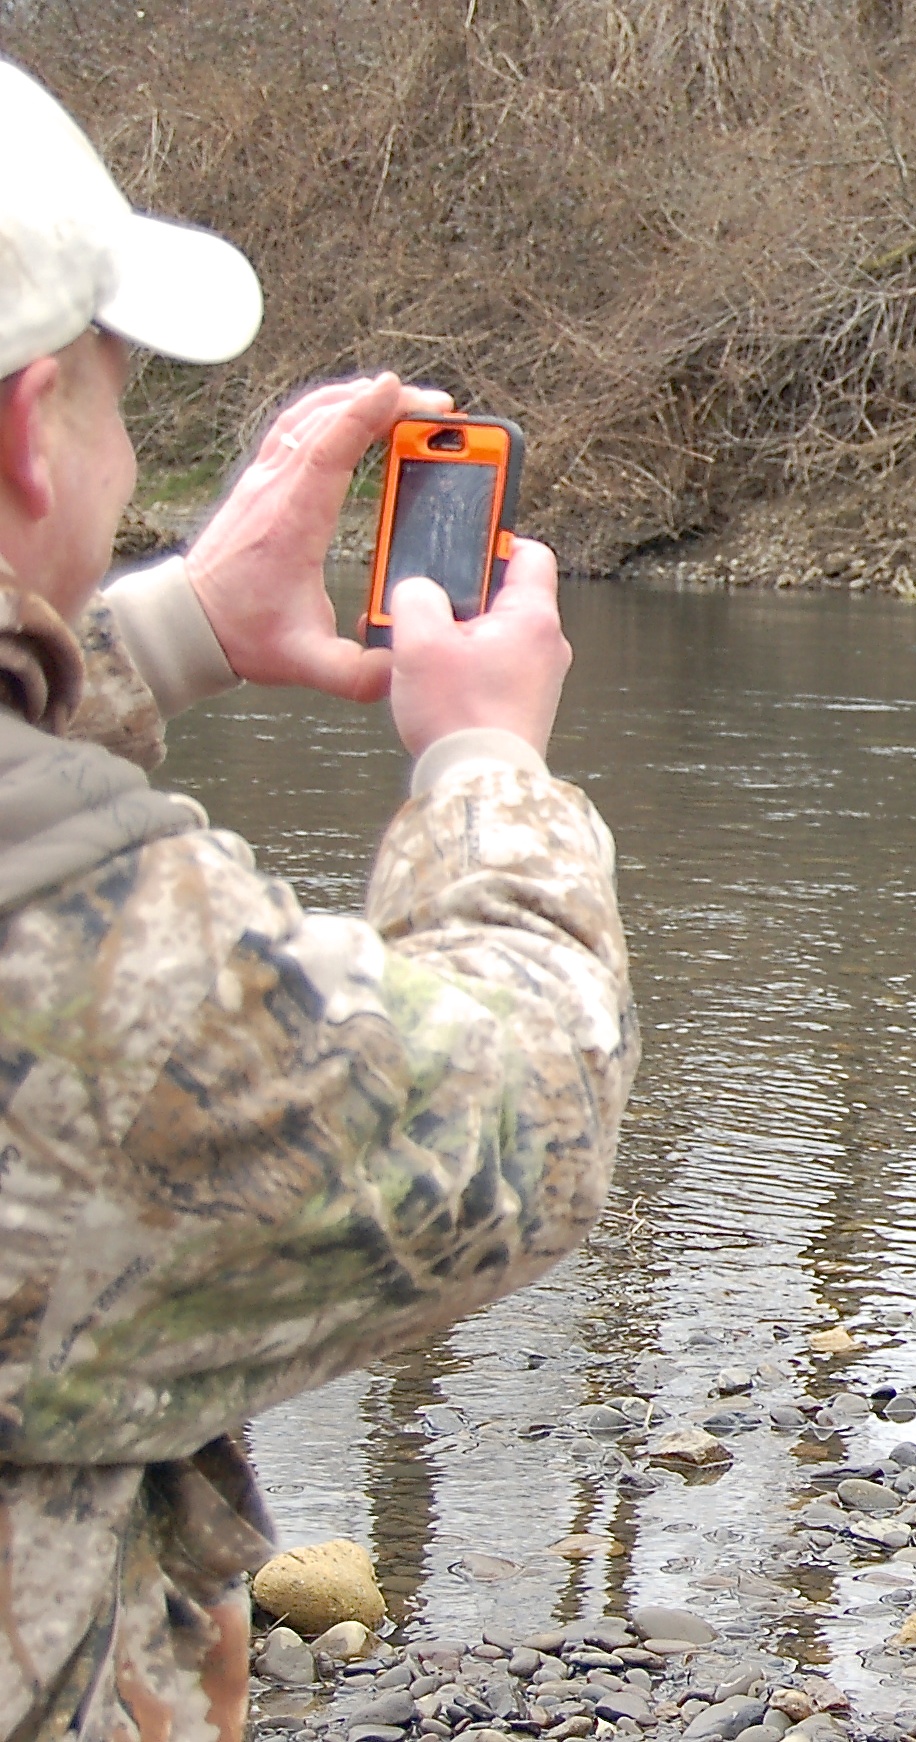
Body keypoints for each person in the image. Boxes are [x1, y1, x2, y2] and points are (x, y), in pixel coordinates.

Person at [0, 58, 638, 1737]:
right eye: (114, 399)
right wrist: (484, 764)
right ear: (26, 433)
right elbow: (527, 1119)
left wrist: (172, 628)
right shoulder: (98, 960)